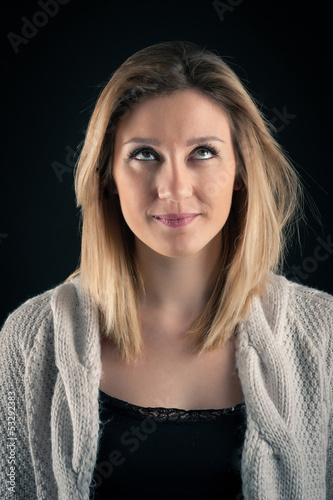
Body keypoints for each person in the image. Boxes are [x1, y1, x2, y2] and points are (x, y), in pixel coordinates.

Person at [0, 41, 332, 500]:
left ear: (241, 169)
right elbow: (10, 485)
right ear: (107, 176)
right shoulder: (27, 339)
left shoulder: (324, 336)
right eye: (144, 154)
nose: (173, 187)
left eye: (202, 152)